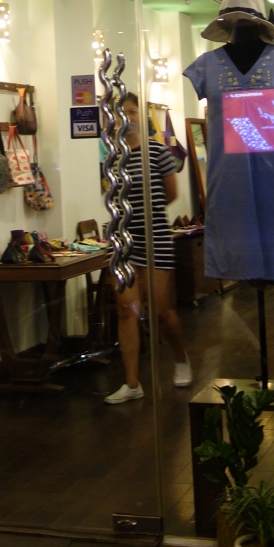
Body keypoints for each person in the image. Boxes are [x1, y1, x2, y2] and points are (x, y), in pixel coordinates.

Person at [104, 93, 192, 403]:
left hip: (155, 238)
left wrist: (146, 215)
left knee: (160, 310)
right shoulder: (112, 157)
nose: (127, 117)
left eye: (132, 111)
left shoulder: (157, 151)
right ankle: (132, 383)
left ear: (141, 116)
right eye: (121, 112)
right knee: (126, 310)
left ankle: (180, 356)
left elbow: (170, 193)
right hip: (123, 240)